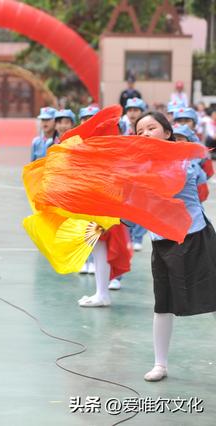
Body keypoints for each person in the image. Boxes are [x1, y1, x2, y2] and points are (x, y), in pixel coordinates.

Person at [134, 111, 216, 382]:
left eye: (151, 128)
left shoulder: (184, 161)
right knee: (163, 305)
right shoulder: (140, 166)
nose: (144, 133)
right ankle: (160, 364)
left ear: (167, 133)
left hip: (193, 239)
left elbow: (169, 186)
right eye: (139, 131)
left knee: (212, 298)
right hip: (162, 242)